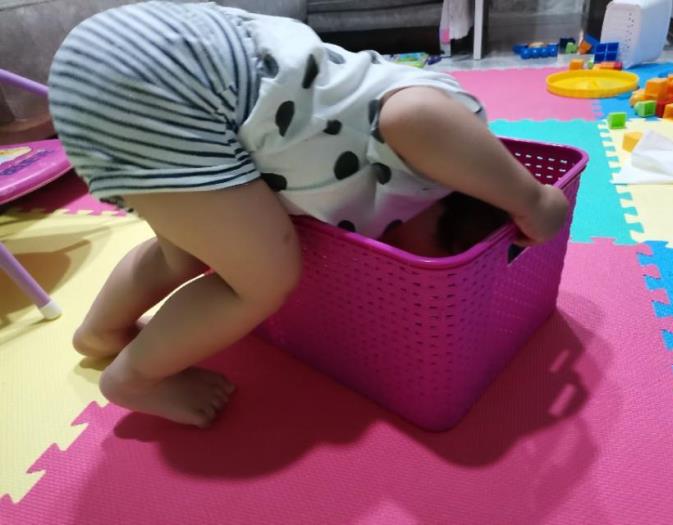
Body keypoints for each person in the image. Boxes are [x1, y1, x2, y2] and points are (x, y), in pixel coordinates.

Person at [48, 1, 569, 427]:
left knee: (180, 255)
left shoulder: (402, 180)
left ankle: (101, 332)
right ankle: (134, 379)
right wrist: (531, 200)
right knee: (262, 281)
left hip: (142, 62)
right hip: (175, 80)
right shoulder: (446, 155)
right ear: (455, 213)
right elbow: (413, 113)